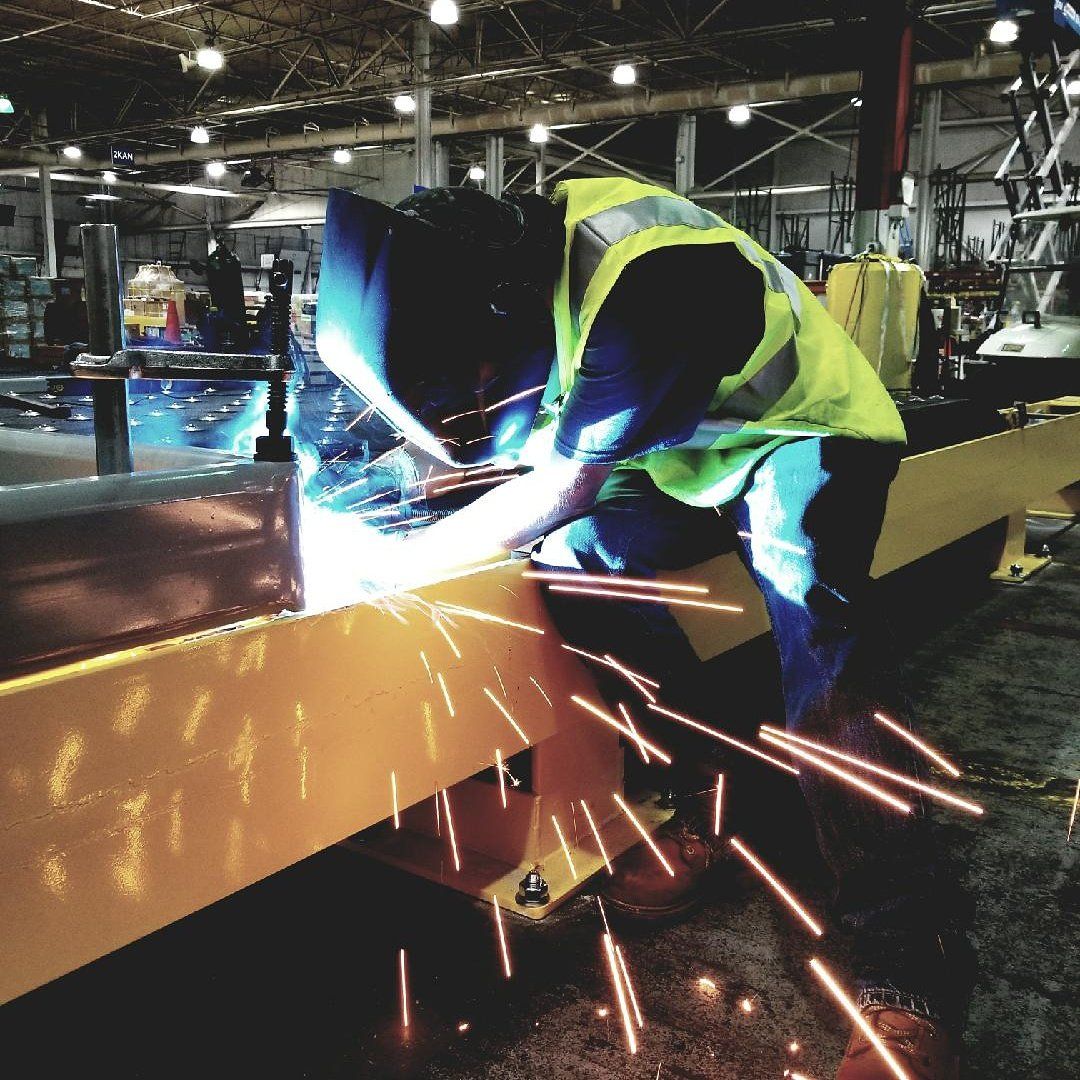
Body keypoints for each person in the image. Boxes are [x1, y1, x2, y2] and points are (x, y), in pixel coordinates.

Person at [316, 179, 975, 1080]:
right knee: (578, 565)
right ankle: (696, 801)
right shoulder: (501, 284)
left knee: (811, 611)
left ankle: (910, 975)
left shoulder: (642, 280)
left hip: (798, 430)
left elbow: (561, 484)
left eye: (470, 376)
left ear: (498, 310)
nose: (471, 392)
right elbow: (512, 462)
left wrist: (389, 569)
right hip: (674, 452)